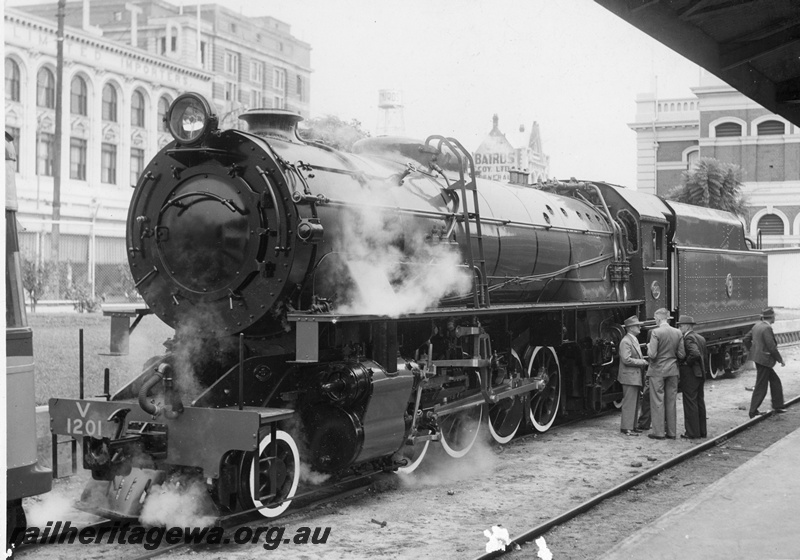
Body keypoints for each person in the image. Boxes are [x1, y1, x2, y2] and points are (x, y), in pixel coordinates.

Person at [646, 308, 685, 440]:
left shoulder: (656, 332)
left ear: (658, 318)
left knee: (658, 400)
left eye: (654, 318)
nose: (654, 320)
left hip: (657, 371)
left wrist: (648, 347)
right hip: (673, 370)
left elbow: (652, 354)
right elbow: (682, 354)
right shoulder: (678, 332)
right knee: (671, 401)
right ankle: (671, 432)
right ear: (667, 318)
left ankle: (658, 432)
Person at [743, 307, 787, 417]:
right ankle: (753, 411)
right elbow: (771, 347)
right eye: (774, 316)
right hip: (764, 360)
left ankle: (778, 405)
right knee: (761, 386)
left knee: (775, 381)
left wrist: (753, 350)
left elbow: (746, 339)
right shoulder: (767, 328)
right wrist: (780, 360)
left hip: (759, 359)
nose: (775, 318)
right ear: (772, 317)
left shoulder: (757, 325)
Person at [677, 315, 707, 439]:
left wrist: (686, 363)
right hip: (700, 373)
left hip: (691, 374)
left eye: (681, 326)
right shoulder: (700, 338)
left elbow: (695, 353)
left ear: (687, 326)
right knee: (699, 402)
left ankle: (692, 432)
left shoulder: (688, 338)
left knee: (690, 403)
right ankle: (702, 431)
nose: (679, 328)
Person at [617, 316, 648, 435]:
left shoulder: (632, 339)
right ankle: (626, 427)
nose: (639, 327)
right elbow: (626, 359)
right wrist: (642, 362)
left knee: (634, 402)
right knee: (629, 402)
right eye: (637, 325)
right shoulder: (626, 341)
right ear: (630, 328)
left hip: (634, 376)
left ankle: (633, 426)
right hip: (629, 376)